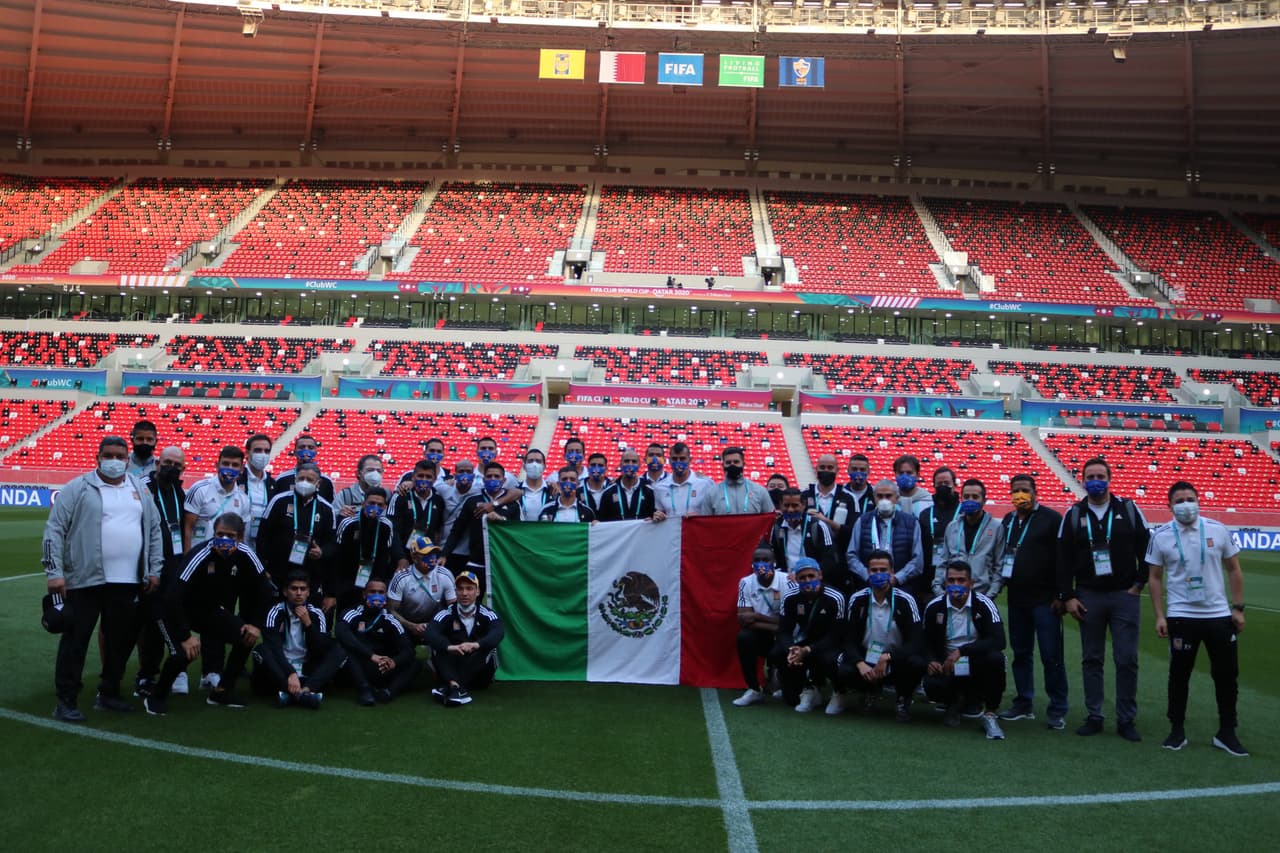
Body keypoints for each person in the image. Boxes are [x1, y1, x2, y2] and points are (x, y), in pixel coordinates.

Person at [42, 436, 163, 721]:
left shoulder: (139, 489)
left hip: (128, 581)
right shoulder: (78, 487)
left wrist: (154, 569)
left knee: (119, 642)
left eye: (120, 456)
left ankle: (108, 693)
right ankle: (66, 700)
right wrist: (54, 571)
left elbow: (154, 530)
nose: (114, 460)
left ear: (127, 459)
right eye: (108, 455)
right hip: (85, 580)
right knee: (76, 640)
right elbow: (54, 529)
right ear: (98, 457)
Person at [1145, 481, 1248, 756]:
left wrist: (1238, 608)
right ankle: (1176, 730)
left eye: (1190, 498)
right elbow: (1154, 578)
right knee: (1179, 676)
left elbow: (1234, 570)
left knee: (1227, 677)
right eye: (1179, 500)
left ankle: (1227, 732)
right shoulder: (1161, 536)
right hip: (1181, 617)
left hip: (1219, 616)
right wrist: (1159, 615)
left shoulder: (1217, 529)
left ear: (1198, 500)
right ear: (1169, 506)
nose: (1185, 504)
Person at [1057, 456, 1150, 742]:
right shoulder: (1074, 513)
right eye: (1090, 476)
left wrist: (1139, 583)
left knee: (1127, 659)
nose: (1095, 481)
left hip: (1125, 596)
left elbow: (1148, 549)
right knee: (1091, 659)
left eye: (1100, 475)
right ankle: (1095, 715)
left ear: (1109, 478)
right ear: (1083, 480)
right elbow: (1062, 559)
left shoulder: (1129, 509)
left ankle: (1126, 718)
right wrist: (1069, 596)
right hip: (1089, 596)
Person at [143, 514, 273, 715]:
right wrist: (185, 636)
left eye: (230, 536)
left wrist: (255, 624)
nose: (223, 540)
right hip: (170, 609)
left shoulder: (246, 553)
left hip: (206, 610)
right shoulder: (201, 554)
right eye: (219, 534)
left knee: (246, 637)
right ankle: (157, 695)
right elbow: (173, 596)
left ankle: (222, 691)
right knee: (182, 653)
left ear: (239, 538)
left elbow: (265, 589)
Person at [997, 475, 1069, 730]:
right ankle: (1023, 702)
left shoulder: (1051, 519)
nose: (1020, 495)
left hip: (1045, 601)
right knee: (1021, 653)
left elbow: (1063, 559)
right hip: (1017, 599)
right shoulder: (1008, 520)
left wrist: (1062, 596)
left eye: (1024, 490)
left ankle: (1058, 708)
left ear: (1035, 492)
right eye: (1015, 491)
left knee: (1051, 656)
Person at [835, 549, 924, 721]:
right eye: (874, 570)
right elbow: (849, 639)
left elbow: (916, 640)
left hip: (895, 657)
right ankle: (870, 692)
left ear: (891, 572)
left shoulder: (906, 600)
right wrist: (860, 663)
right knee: (844, 668)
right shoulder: (857, 599)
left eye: (883, 570)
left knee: (917, 663)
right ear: (868, 573)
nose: (879, 574)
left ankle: (902, 698)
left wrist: (889, 657)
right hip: (867, 657)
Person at [922, 560, 1007, 739]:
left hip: (975, 661)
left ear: (971, 583)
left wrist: (963, 651)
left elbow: (999, 640)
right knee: (931, 685)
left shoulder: (984, 604)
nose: (956, 585)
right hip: (947, 664)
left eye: (961, 581)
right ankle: (956, 701)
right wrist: (931, 660)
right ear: (945, 583)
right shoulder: (934, 606)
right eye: (951, 581)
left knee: (996, 659)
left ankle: (990, 714)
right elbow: (925, 641)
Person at [134, 446, 189, 699]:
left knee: (167, 617)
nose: (171, 468)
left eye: (177, 465)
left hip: (173, 566)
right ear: (157, 463)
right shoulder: (141, 488)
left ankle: (172, 670)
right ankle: (144, 675)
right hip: (146, 567)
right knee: (148, 623)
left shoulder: (179, 491)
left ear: (183, 469)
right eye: (167, 462)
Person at [254, 570, 345, 709]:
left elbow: (320, 649)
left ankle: (302, 691)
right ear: (285, 592)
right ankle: (301, 695)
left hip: (307, 666)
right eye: (294, 588)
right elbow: (274, 648)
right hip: (282, 667)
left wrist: (308, 624)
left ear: (308, 592)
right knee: (261, 650)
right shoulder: (274, 612)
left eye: (303, 589)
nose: (298, 593)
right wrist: (290, 672)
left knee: (339, 650)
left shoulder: (316, 613)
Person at [768, 557, 845, 713]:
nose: (807, 580)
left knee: (828, 658)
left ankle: (838, 692)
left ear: (820, 575)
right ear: (796, 579)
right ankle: (809, 689)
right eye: (802, 578)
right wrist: (792, 649)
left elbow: (837, 634)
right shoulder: (790, 597)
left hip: (831, 642)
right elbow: (783, 630)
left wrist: (808, 650)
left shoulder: (835, 597)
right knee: (777, 653)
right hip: (805, 640)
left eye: (811, 576)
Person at [256, 462, 338, 599]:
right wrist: (265, 567)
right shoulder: (279, 501)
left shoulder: (326, 508)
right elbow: (263, 535)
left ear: (318, 483)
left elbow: (332, 543)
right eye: (301, 479)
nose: (304, 483)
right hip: (278, 571)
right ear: (295, 480)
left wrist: (321, 552)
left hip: (310, 573)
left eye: (309, 480)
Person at [425, 570, 505, 707]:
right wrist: (450, 647)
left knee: (488, 648)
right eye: (460, 589)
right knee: (438, 647)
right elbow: (430, 633)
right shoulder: (446, 612)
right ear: (455, 592)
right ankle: (456, 688)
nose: (464, 593)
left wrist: (476, 645)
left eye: (469, 588)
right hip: (455, 664)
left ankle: (451, 686)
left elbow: (498, 632)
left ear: (478, 591)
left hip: (480, 676)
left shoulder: (488, 614)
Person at [336, 579, 422, 705]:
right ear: (364, 595)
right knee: (345, 649)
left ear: (385, 596)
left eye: (381, 592)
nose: (377, 596)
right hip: (359, 664)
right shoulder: (353, 612)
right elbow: (341, 632)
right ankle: (364, 690)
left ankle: (388, 693)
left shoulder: (390, 619)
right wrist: (371, 656)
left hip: (381, 667)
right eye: (372, 592)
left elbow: (408, 649)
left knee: (416, 663)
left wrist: (393, 662)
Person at [443, 461, 519, 594]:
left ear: (504, 480)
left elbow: (518, 532)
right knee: (472, 600)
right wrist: (444, 554)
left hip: (502, 563)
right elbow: (457, 530)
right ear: (483, 479)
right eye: (489, 476)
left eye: (497, 476)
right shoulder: (472, 501)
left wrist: (502, 520)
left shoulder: (513, 503)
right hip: (475, 562)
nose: (493, 479)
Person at [732, 547, 792, 707]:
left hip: (785, 635)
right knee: (744, 637)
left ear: (774, 563)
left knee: (791, 698)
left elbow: (790, 623)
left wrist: (757, 616)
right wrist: (776, 623)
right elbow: (744, 620)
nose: (761, 564)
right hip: (761, 634)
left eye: (765, 560)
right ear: (752, 564)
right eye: (757, 560)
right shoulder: (746, 582)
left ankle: (784, 681)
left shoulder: (787, 581)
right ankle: (753, 689)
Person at [331, 487, 402, 611]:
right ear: (363, 504)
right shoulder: (348, 523)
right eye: (371, 503)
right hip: (348, 579)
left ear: (385, 506)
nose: (375, 507)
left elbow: (384, 556)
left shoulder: (387, 525)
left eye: (380, 504)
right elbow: (337, 556)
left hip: (373, 579)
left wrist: (380, 582)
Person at [846, 479, 923, 592]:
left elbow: (918, 560)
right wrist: (868, 576)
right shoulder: (863, 521)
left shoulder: (911, 522)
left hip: (901, 587)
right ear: (874, 497)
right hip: (868, 587)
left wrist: (897, 578)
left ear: (896, 498)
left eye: (888, 496)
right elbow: (851, 555)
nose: (884, 500)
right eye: (880, 496)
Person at [937, 478, 1003, 597]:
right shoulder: (952, 527)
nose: (970, 500)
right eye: (966, 497)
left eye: (975, 497)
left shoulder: (996, 527)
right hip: (953, 594)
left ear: (984, 500)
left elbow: (999, 566)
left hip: (982, 595)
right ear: (961, 499)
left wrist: (990, 595)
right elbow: (943, 561)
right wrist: (939, 590)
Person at [387, 536, 457, 642]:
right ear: (414, 558)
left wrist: (436, 625)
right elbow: (391, 610)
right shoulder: (401, 577)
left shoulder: (444, 574)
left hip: (435, 622)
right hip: (406, 623)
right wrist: (412, 626)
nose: (432, 558)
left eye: (434, 553)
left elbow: (454, 608)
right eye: (427, 554)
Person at [182, 445, 251, 550]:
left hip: (226, 558)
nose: (230, 468)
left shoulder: (244, 499)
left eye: (235, 465)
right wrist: (187, 559)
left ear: (242, 469)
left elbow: (241, 535)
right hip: (199, 555)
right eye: (226, 464)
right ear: (217, 465)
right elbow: (187, 528)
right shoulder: (199, 489)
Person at [769, 487, 837, 579]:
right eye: (786, 505)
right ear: (780, 505)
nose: (790, 510)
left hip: (812, 582)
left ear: (803, 505)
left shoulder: (818, 526)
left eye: (794, 505)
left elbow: (829, 559)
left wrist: (805, 577)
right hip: (786, 581)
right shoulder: (776, 527)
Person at [916, 466, 959, 607]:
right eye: (939, 484)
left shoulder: (964, 512)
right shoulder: (925, 514)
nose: (943, 487)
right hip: (929, 576)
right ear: (933, 485)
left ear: (955, 484)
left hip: (957, 576)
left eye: (946, 483)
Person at [805, 453, 857, 564]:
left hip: (839, 560)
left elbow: (853, 531)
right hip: (810, 558)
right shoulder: (804, 495)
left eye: (830, 468)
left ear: (837, 470)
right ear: (816, 469)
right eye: (822, 467)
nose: (826, 471)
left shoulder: (849, 498)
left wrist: (825, 521)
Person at [388, 460, 446, 552]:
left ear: (434, 479)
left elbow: (438, 531)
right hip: (403, 555)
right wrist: (400, 558)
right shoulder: (400, 496)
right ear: (413, 477)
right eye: (420, 476)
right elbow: (392, 530)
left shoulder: (439, 500)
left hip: (426, 556)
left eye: (428, 477)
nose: (424, 480)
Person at [699, 447, 773, 516]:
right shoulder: (711, 493)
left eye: (736, 462)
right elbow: (705, 523)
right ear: (723, 465)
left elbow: (769, 519)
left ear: (743, 464)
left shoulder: (760, 491)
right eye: (728, 462)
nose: (732, 465)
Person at [597, 448, 664, 521]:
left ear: (639, 465)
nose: (630, 464)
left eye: (634, 461)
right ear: (620, 464)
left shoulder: (649, 491)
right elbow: (601, 521)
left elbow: (655, 516)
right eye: (626, 461)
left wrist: (656, 517)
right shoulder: (608, 493)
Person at [655, 441, 711, 518]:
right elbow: (659, 513)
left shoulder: (705, 484)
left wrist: (700, 517)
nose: (678, 463)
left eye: (682, 459)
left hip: (695, 529)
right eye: (674, 459)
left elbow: (713, 514)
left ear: (690, 460)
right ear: (669, 460)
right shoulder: (659, 487)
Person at [272, 434, 335, 502]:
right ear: (295, 452)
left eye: (310, 447)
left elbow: (332, 507)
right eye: (302, 447)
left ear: (316, 452)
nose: (306, 451)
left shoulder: (326, 481)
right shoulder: (282, 479)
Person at [238, 433, 274, 547]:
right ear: (248, 453)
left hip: (262, 544)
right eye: (258, 450)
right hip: (238, 543)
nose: (262, 455)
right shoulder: (237, 479)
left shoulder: (272, 483)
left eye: (266, 451)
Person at [515, 448, 556, 521]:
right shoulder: (516, 491)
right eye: (530, 461)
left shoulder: (552, 491)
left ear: (544, 466)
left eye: (538, 461)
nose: (534, 465)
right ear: (524, 466)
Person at [893, 454, 933, 518]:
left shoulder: (929, 502)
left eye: (909, 473)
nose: (905, 476)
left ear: (918, 475)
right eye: (901, 473)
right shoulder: (890, 501)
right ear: (895, 474)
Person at [842, 453, 874, 518]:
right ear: (848, 471)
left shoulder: (875, 494)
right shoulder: (841, 493)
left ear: (868, 471)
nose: (858, 473)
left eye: (862, 470)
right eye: (854, 469)